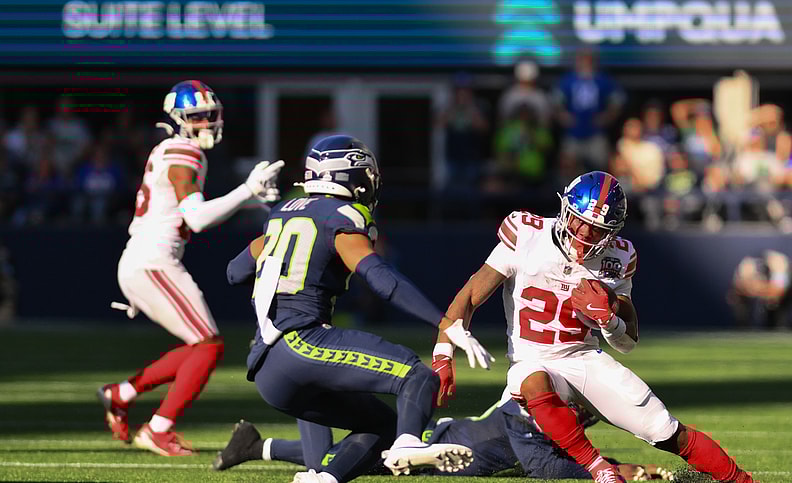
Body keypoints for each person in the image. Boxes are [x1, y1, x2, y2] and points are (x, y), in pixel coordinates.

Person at [433, 171, 755, 483]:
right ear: (565, 211)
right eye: (580, 222)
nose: (584, 235)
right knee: (529, 379)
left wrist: (610, 319)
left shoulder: (618, 258)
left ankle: (742, 480)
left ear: (612, 232)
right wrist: (443, 350)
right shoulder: (526, 235)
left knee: (666, 431)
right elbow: (471, 294)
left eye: (597, 230)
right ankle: (599, 468)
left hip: (583, 358)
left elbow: (628, 341)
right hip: (532, 358)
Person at [224, 135, 495, 483]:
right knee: (417, 375)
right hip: (302, 341)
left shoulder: (280, 215)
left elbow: (235, 272)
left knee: (382, 425)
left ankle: (322, 479)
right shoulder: (341, 216)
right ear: (346, 176)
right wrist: (444, 322)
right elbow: (382, 279)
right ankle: (409, 446)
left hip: (267, 369)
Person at [97, 80, 286, 456]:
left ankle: (122, 393)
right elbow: (197, 218)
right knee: (208, 346)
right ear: (177, 119)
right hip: (153, 261)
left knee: (201, 344)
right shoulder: (184, 151)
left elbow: (185, 209)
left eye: (211, 114)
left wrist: (249, 202)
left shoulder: (174, 149)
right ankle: (158, 429)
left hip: (147, 259)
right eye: (198, 116)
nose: (208, 122)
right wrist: (247, 191)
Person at [213, 397, 675, 481]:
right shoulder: (529, 409)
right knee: (355, 460)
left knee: (357, 457)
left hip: (452, 441)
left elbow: (566, 453)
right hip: (439, 446)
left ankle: (255, 446)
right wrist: (615, 471)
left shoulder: (545, 406)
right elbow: (545, 466)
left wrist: (621, 465)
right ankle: (255, 445)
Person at [727, 250, 792, 330]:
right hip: (771, 286)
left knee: (776, 317)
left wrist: (760, 291)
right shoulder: (746, 267)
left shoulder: (777, 263)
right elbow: (737, 290)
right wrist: (750, 290)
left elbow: (779, 289)